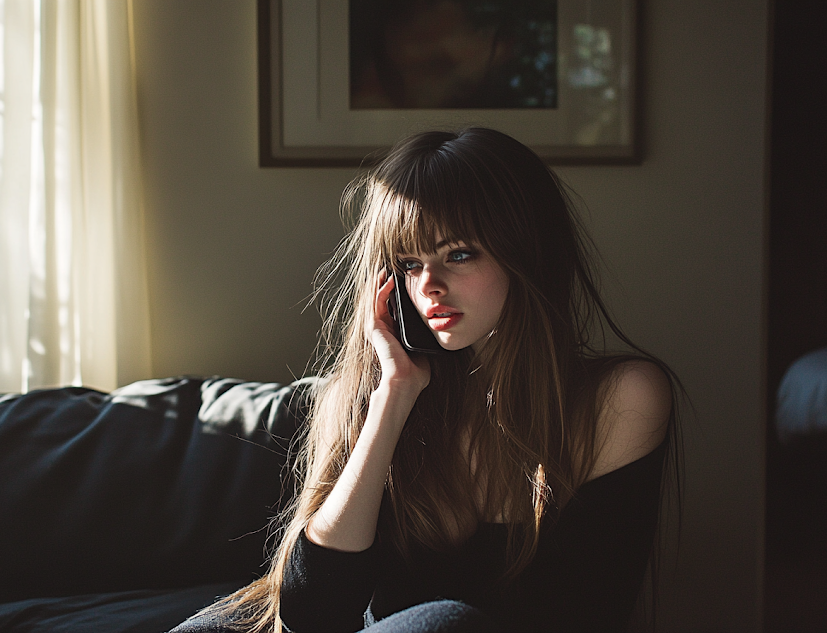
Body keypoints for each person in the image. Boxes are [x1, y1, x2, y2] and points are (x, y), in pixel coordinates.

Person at [171, 128, 681, 633]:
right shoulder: (366, 398)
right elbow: (309, 616)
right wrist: (393, 397)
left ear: (527, 251)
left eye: (458, 254)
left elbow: (589, 612)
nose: (428, 286)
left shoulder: (620, 399)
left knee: (443, 625)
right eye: (410, 264)